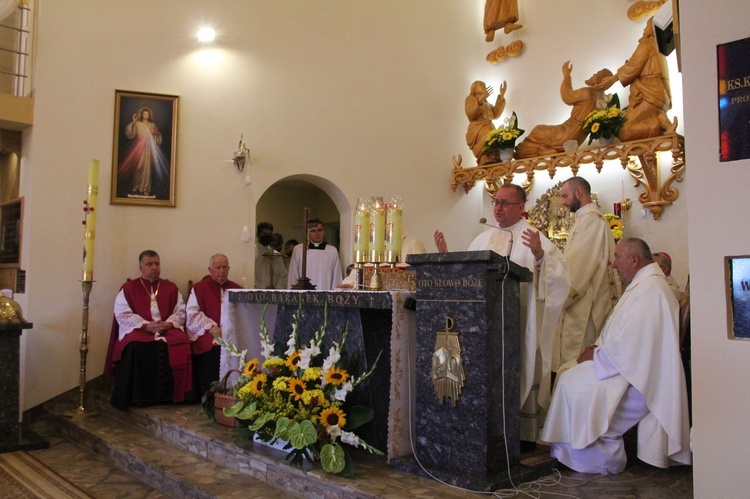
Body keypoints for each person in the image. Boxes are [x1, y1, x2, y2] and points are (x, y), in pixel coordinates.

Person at [540, 238, 691, 474]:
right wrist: (598, 350)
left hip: (637, 376)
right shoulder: (643, 284)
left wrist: (599, 354)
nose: (613, 263)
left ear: (633, 259)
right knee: (569, 376)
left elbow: (637, 344)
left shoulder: (652, 288)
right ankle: (573, 452)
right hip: (624, 365)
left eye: (618, 256)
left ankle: (599, 459)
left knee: (573, 383)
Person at [434, 184, 569, 443]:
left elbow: (560, 277)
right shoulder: (482, 238)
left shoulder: (533, 237)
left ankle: (521, 436)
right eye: (496, 202)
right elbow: (467, 275)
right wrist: (446, 256)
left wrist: (540, 257)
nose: (498, 207)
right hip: (483, 325)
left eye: (505, 203)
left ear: (521, 207)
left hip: (517, 322)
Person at [105, 250, 193, 410]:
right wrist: (146, 325)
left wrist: (169, 324)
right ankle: (138, 396)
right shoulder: (128, 288)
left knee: (182, 342)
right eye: (149, 264)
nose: (154, 267)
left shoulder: (170, 287)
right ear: (141, 267)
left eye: (157, 264)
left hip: (167, 327)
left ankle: (176, 396)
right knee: (134, 346)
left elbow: (180, 310)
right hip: (140, 329)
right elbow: (123, 313)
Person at [553, 177, 620, 371]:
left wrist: (558, 292)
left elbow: (579, 267)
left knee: (580, 364)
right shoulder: (586, 219)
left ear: (579, 193)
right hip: (587, 300)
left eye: (565, 196)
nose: (563, 202)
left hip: (587, 305)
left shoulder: (591, 221)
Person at [598, 17, 675, 142]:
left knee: (624, 131)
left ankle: (659, 122)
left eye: (647, 26)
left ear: (654, 28)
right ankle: (661, 121)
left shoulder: (647, 44)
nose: (644, 30)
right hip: (661, 96)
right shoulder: (659, 47)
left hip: (650, 95)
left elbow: (633, 67)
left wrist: (612, 80)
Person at [515, 63, 613, 158]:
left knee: (538, 130)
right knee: (538, 132)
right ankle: (546, 150)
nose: (593, 75)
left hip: (567, 133)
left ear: (600, 80)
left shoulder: (588, 92)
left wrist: (566, 76)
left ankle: (538, 150)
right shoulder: (603, 99)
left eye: (596, 74)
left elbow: (567, 96)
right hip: (578, 138)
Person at [186, 254, 241, 398]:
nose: (221, 271)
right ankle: (210, 395)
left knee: (240, 347)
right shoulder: (198, 288)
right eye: (218, 268)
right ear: (210, 269)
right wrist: (210, 327)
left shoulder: (237, 289)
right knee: (213, 348)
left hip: (230, 334)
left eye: (224, 267)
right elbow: (192, 313)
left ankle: (235, 392)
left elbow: (243, 314)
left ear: (229, 269)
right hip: (207, 333)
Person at [339, 232, 427, 289]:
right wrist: (349, 284)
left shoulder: (412, 243)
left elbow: (423, 277)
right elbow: (355, 276)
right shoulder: (368, 247)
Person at [117, 107, 171, 199]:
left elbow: (158, 137)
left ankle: (146, 188)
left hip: (149, 147)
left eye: (148, 114)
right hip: (139, 146)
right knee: (139, 166)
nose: (146, 115)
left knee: (148, 167)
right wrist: (133, 123)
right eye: (144, 114)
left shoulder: (152, 125)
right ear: (141, 115)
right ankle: (136, 186)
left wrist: (156, 133)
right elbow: (130, 133)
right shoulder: (138, 124)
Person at [288, 218, 342, 290]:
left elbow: (336, 276)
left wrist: (335, 295)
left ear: (324, 232)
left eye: (319, 230)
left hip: (325, 293)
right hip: (303, 293)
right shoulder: (298, 249)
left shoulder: (332, 250)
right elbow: (293, 274)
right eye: (313, 231)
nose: (317, 234)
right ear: (308, 233)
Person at [466, 80, 507, 166]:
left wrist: (502, 96)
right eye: (481, 84)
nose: (484, 86)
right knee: (487, 137)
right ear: (474, 89)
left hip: (489, 126)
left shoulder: (486, 103)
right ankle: (485, 157)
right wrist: (480, 100)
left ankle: (494, 156)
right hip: (479, 128)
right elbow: (471, 114)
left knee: (495, 139)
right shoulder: (470, 99)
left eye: (484, 84)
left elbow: (495, 114)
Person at [254, 222, 287, 289]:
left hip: (274, 294)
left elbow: (283, 275)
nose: (267, 237)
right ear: (258, 234)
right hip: (257, 292)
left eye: (269, 234)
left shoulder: (276, 255)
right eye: (264, 234)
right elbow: (250, 275)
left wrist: (276, 288)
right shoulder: (252, 254)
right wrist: (262, 288)